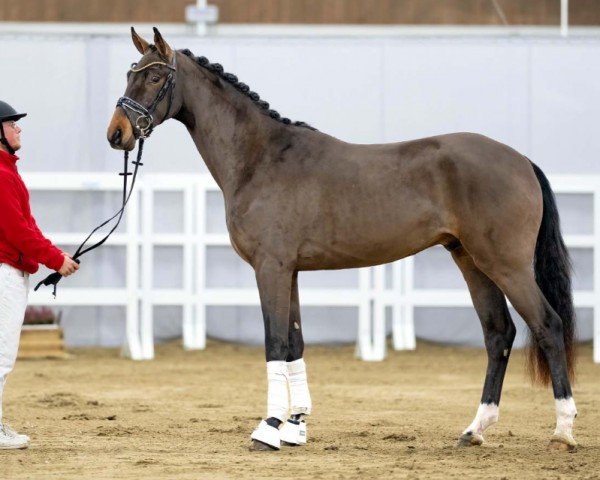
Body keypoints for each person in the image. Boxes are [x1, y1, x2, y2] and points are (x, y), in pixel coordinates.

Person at [0, 100, 79, 449]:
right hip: (5, 273)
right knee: (2, 355)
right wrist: (53, 260)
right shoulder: (1, 175)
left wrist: (56, 255)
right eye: (12, 124)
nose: (19, 129)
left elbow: (27, 226)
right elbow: (17, 231)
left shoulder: (8, 172)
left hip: (11, 269)